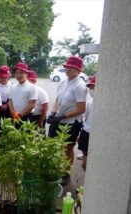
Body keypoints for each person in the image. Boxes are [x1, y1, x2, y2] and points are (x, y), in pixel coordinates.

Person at [47, 56, 87, 185]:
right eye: (67, 67)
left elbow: (81, 109)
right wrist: (53, 113)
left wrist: (63, 116)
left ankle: (65, 173)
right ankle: (53, 169)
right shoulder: (62, 82)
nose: (68, 69)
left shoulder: (80, 86)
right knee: (52, 145)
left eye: (72, 67)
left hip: (72, 122)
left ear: (78, 70)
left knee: (67, 149)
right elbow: (57, 101)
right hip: (59, 119)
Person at [77, 75, 96, 171]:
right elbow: (85, 117)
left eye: (94, 87)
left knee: (90, 162)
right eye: (91, 87)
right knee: (85, 160)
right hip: (86, 131)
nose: (91, 89)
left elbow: (85, 116)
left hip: (92, 133)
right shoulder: (90, 102)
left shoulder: (92, 102)